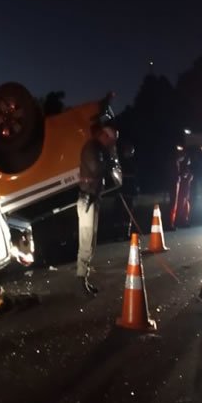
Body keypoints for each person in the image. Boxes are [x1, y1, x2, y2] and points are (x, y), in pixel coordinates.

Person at [77, 123, 121, 295]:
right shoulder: (91, 148)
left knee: (91, 242)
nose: (111, 144)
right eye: (111, 141)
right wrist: (109, 161)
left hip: (93, 198)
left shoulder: (98, 149)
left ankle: (84, 279)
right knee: (86, 242)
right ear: (105, 136)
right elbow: (96, 169)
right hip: (87, 199)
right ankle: (80, 281)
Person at [169, 154, 193, 229]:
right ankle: (173, 222)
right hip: (179, 187)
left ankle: (183, 221)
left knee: (185, 204)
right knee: (177, 204)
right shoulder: (177, 164)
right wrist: (183, 176)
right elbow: (179, 175)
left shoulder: (185, 166)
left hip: (184, 188)